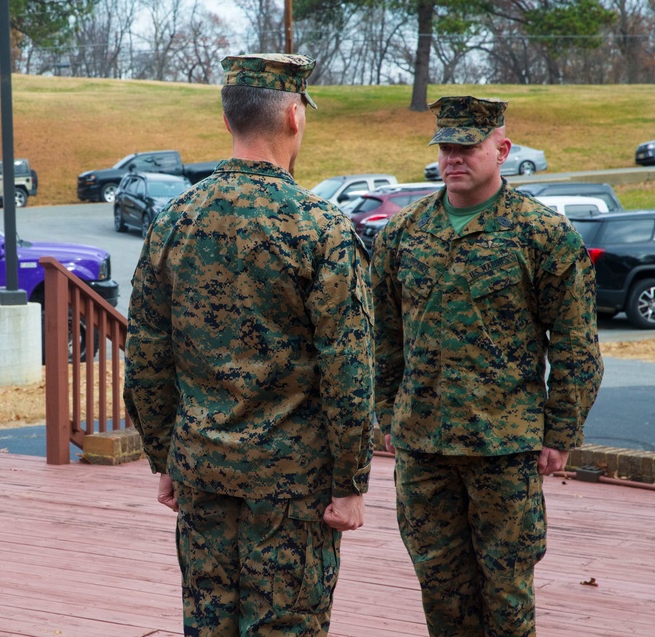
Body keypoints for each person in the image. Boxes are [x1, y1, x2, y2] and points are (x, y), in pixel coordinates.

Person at [124, 53, 375, 635]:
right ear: (294, 115)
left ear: (227, 119)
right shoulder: (320, 228)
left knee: (208, 625)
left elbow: (146, 355)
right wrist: (350, 482)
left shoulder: (174, 220)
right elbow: (348, 370)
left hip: (203, 469)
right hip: (294, 484)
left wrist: (165, 456)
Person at [371, 96, 603, 637]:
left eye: (467, 147)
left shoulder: (542, 235)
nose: (454, 158)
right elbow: (383, 336)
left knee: (506, 589)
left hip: (505, 444)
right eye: (446, 147)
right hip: (423, 446)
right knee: (440, 585)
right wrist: (387, 413)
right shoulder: (402, 235)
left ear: (501, 150)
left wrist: (560, 431)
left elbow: (575, 344)